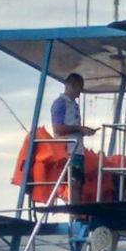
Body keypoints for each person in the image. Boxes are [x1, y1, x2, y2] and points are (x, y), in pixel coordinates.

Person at [50, 72, 96, 203]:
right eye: (79, 88)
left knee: (78, 182)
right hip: (68, 150)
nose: (79, 92)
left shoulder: (73, 105)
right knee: (73, 182)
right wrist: (79, 129)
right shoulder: (60, 103)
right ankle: (73, 213)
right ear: (71, 85)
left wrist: (83, 131)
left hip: (77, 149)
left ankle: (76, 213)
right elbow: (57, 128)